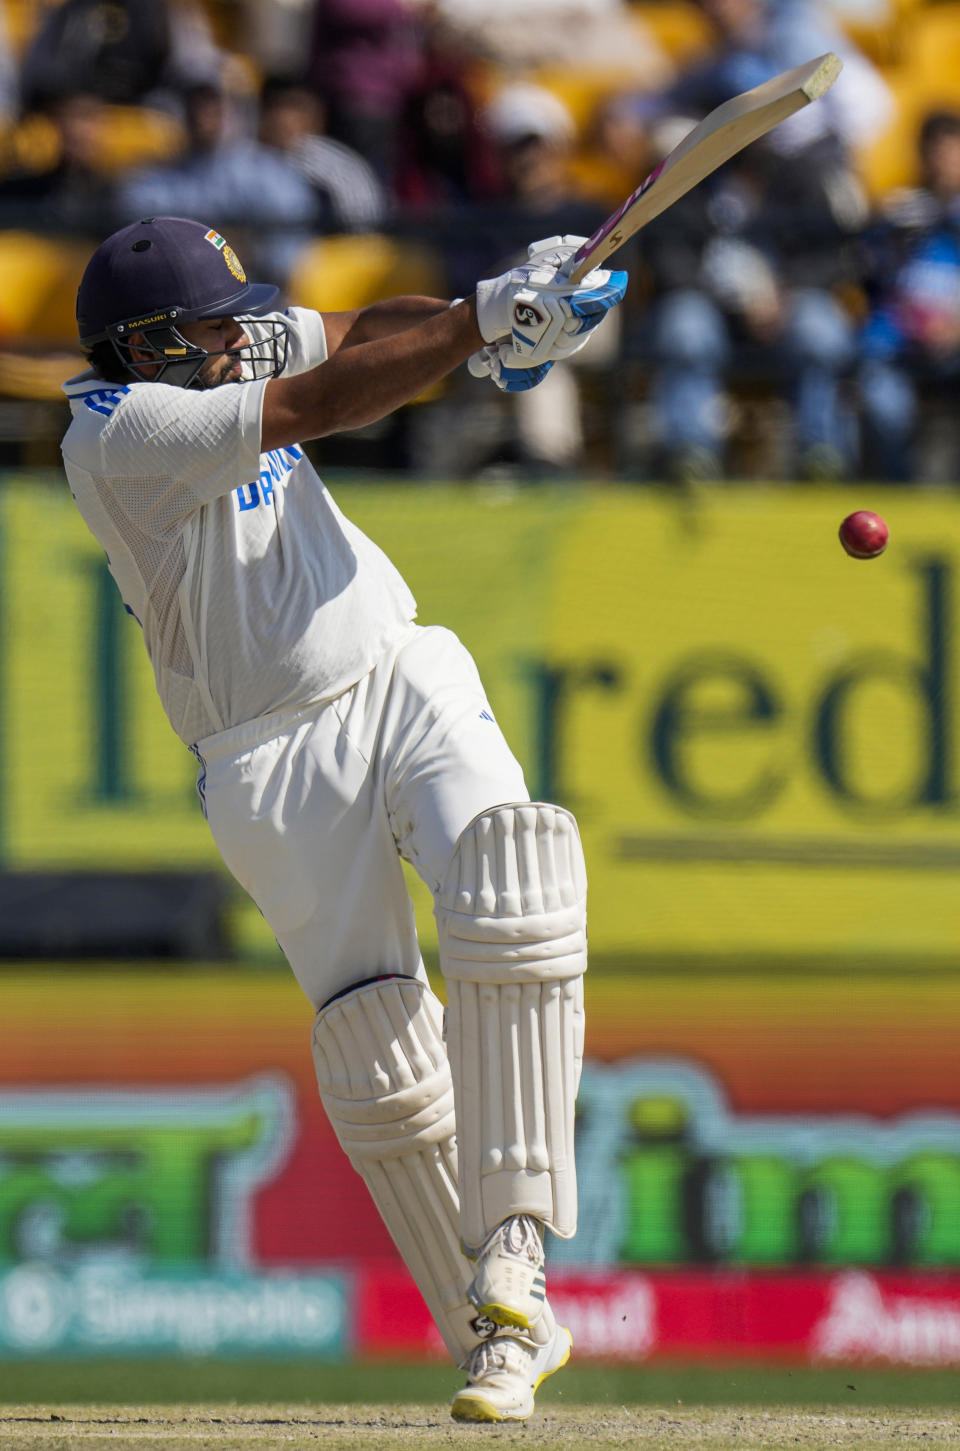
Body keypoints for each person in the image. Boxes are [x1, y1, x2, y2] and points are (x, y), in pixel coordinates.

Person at [60, 216, 627, 1420]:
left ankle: (519, 1248)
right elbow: (314, 403)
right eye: (211, 329)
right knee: (379, 1056)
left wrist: (496, 305)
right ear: (146, 347)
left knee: (511, 871)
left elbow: (358, 332)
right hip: (264, 758)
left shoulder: (210, 353)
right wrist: (479, 331)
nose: (237, 340)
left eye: (235, 319)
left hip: (394, 665)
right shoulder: (120, 437)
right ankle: (496, 1336)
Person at [857, 110, 960, 482]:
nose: (945, 163)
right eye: (937, 152)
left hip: (954, 342)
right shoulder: (900, 213)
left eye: (953, 152)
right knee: (882, 399)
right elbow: (867, 275)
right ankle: (900, 491)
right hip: (896, 343)